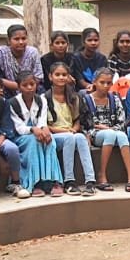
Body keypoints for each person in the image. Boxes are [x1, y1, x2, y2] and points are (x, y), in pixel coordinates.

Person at [45, 61, 98, 196]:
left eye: (64, 75)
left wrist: (74, 129)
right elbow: (45, 125)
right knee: (70, 137)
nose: (61, 77)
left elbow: (77, 120)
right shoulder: (44, 98)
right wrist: (66, 131)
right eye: (57, 74)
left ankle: (90, 181)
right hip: (55, 135)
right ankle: (69, 181)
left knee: (80, 138)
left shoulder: (74, 97)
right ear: (50, 76)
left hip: (71, 133)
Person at [8, 70, 64, 197]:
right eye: (25, 85)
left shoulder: (41, 100)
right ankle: (35, 183)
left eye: (32, 84)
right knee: (35, 141)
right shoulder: (12, 103)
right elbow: (18, 128)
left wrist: (44, 129)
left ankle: (53, 181)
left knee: (49, 140)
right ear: (19, 87)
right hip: (21, 137)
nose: (29, 88)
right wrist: (33, 130)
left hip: (38, 133)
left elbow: (42, 120)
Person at [84, 67, 130, 192]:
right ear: (94, 82)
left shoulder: (114, 98)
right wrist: (102, 130)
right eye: (102, 82)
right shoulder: (86, 99)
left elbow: (121, 122)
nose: (105, 86)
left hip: (113, 130)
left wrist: (108, 128)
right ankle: (102, 174)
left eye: (108, 83)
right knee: (110, 134)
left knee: (122, 136)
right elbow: (86, 123)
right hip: (95, 133)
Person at [0, 24, 43, 95]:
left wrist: (26, 86)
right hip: (6, 92)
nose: (21, 42)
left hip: (30, 89)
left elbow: (38, 76)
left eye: (23, 38)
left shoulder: (33, 52)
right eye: (16, 39)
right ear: (8, 40)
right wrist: (19, 87)